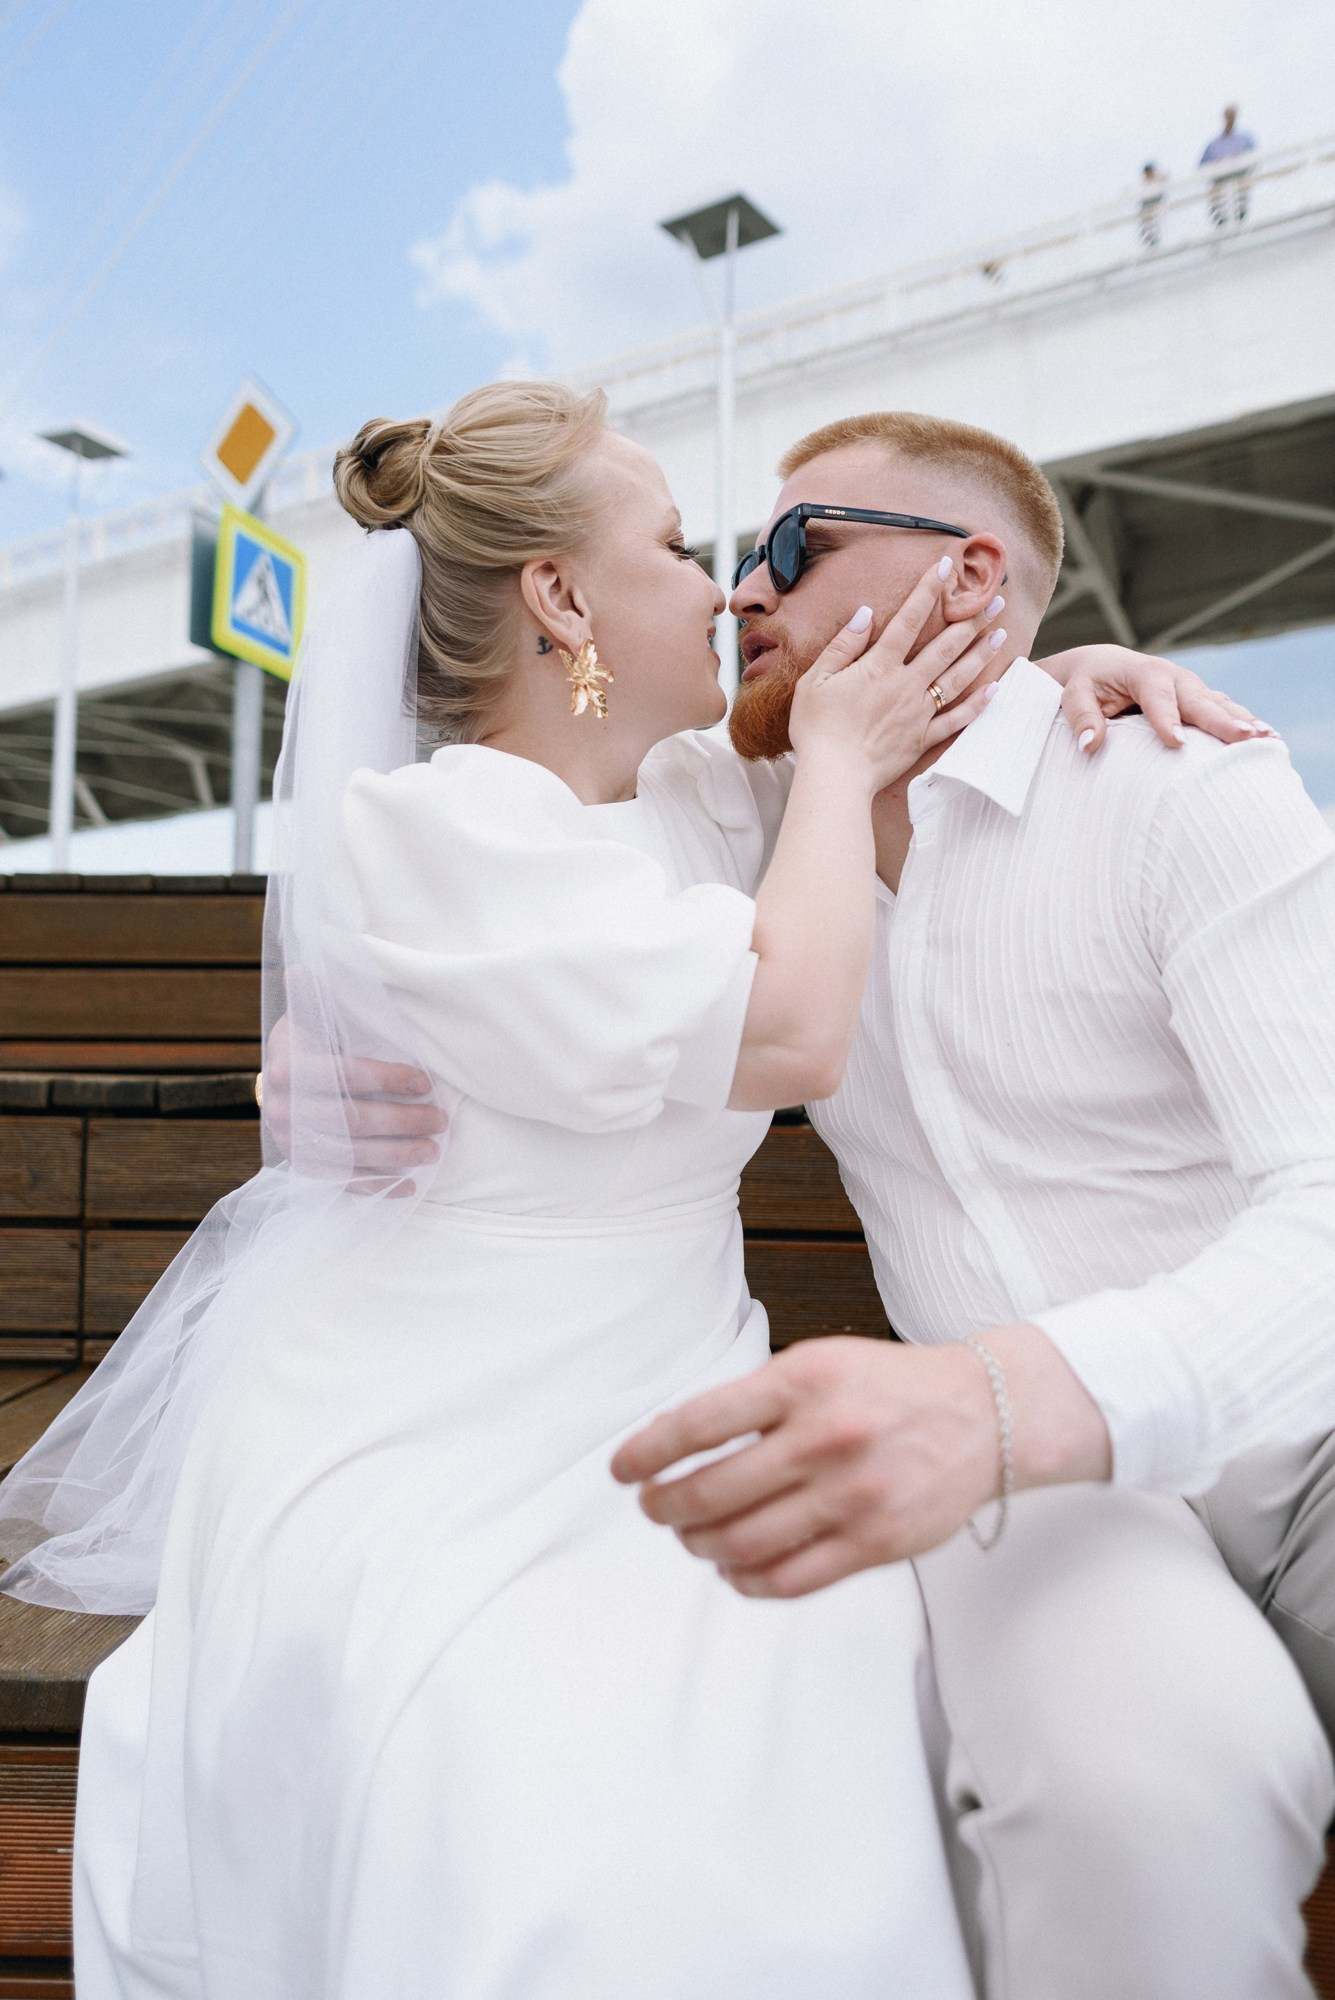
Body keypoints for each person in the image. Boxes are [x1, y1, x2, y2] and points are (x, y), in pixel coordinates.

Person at [32, 380, 1035, 2000]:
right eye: (677, 544)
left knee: (804, 1669)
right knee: (526, 1759)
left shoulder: (697, 798)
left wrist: (1099, 674)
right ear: (561, 597)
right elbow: (787, 1028)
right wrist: (842, 768)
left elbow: (968, 704)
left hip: (666, 1365)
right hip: (446, 1410)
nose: (723, 588)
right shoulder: (429, 827)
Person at [608, 409, 1335, 1998]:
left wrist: (1013, 1401)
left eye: (792, 548)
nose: (740, 591)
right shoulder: (749, 840)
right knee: (1141, 1798)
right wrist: (342, 1040)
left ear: (970, 579)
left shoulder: (1173, 782)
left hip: (1295, 1442)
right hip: (1043, 1506)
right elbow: (499, 830)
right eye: (734, 556)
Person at [1202, 103, 1257, 225]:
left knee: (1240, 218)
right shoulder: (1213, 144)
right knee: (1221, 220)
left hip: (1239, 188)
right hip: (1219, 191)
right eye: (1228, 116)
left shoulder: (1244, 139)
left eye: (1233, 116)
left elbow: (1255, 161)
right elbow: (1201, 168)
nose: (1230, 119)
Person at [1138, 159, 1167, 248]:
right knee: (1149, 234)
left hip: (1156, 212)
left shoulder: (1158, 182)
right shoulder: (1143, 186)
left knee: (1156, 232)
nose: (1148, 174)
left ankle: (1155, 246)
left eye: (1150, 172)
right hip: (1147, 215)